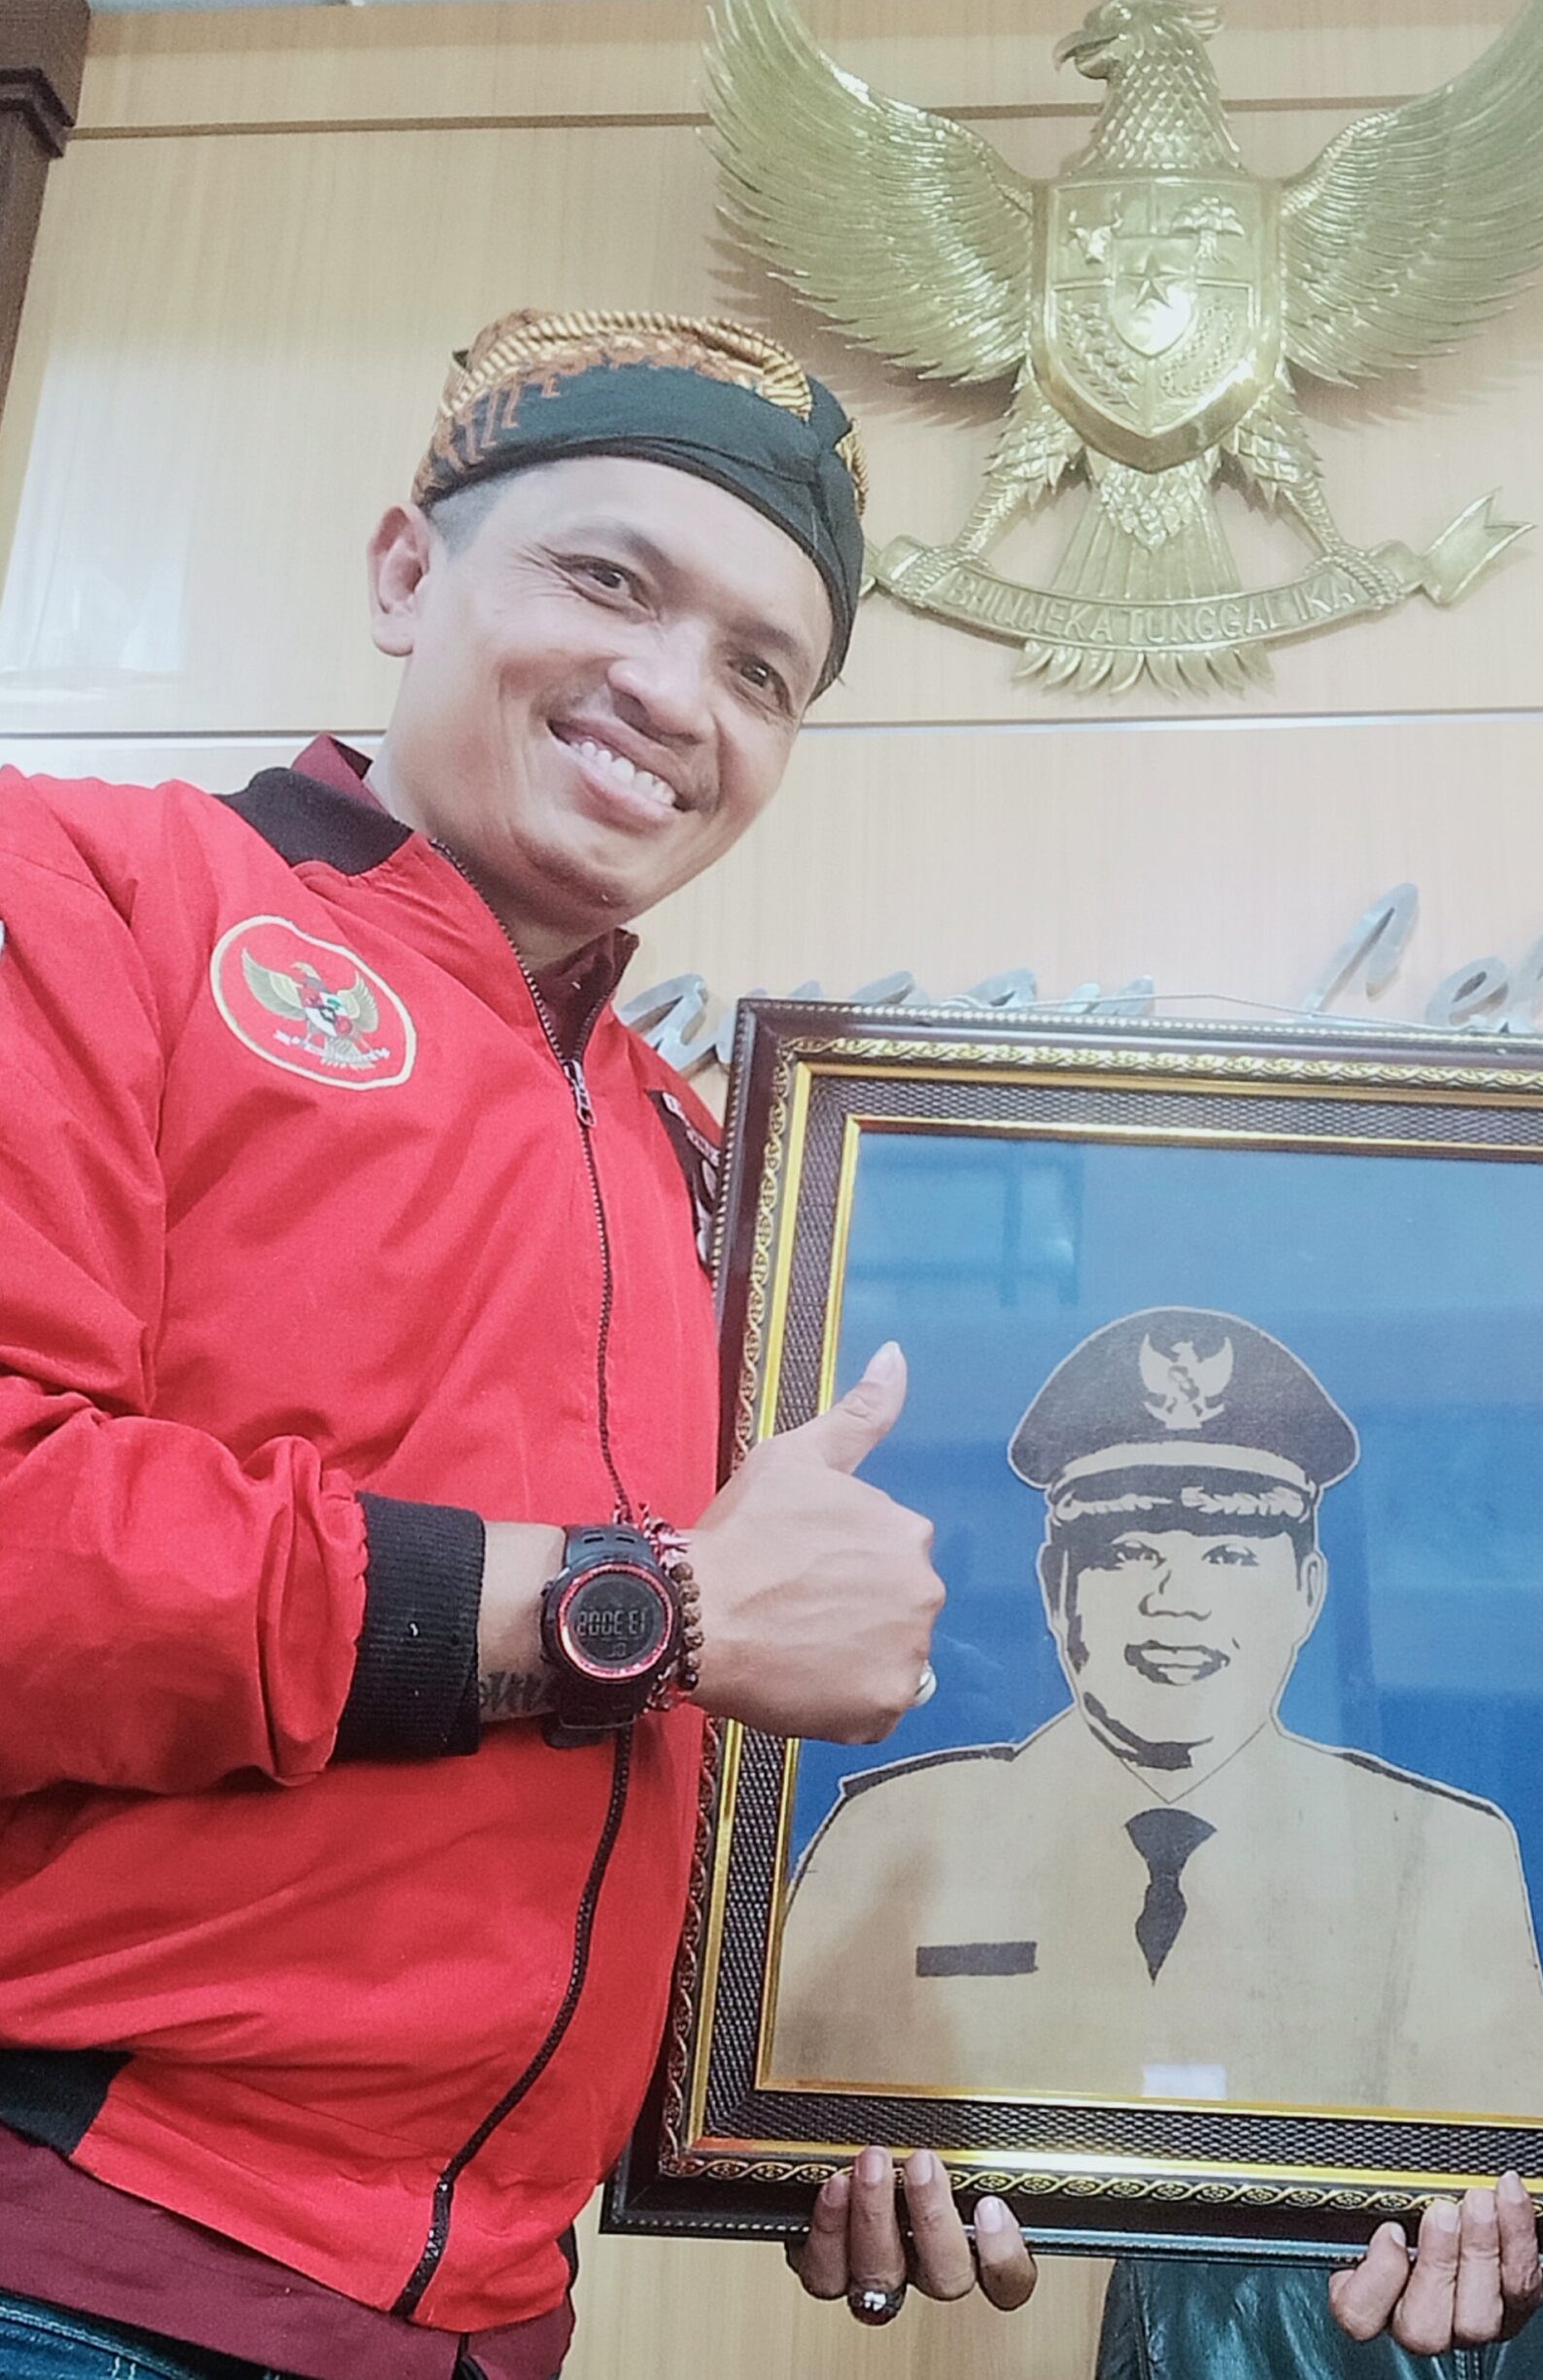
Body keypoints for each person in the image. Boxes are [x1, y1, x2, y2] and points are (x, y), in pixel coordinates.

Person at [0, 309, 1036, 2380]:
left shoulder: (706, 1151)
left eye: (764, 670)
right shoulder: (88, 886)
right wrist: (626, 1603)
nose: (675, 692)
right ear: (407, 570)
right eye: (610, 579)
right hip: (87, 2260)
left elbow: (743, 1700)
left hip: (494, 2318)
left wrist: (838, 2081)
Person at [773, 1307, 1543, 2117]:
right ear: (1056, 1588)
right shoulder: (890, 1839)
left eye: (1229, 1554)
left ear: (1307, 1592)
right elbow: (788, 2129)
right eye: (1128, 1552)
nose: (1176, 1600)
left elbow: (1494, 2154)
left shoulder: (1445, 1859)